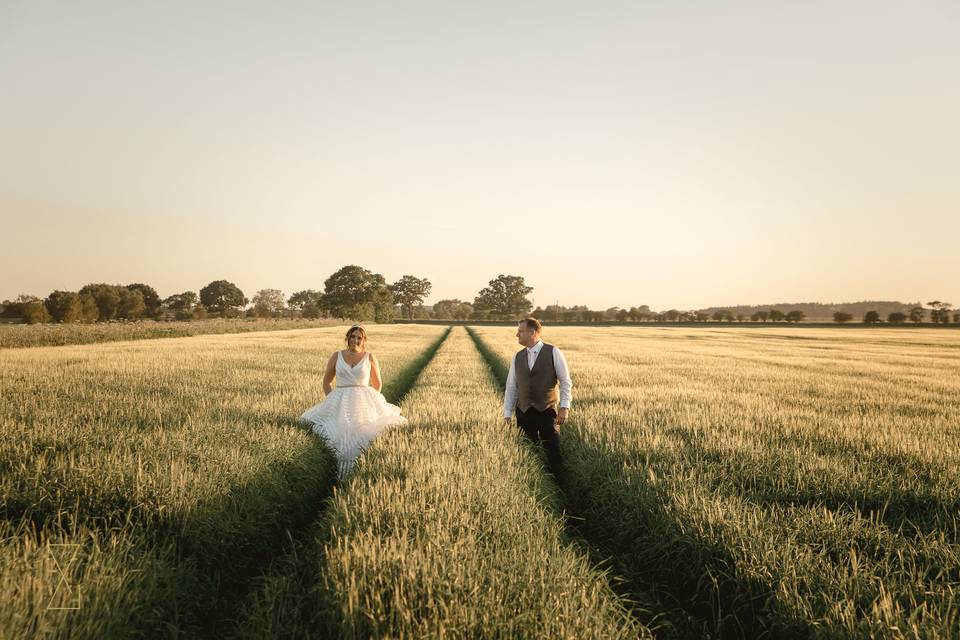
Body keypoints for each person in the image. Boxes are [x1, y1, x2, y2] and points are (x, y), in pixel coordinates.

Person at [300, 324, 407, 476]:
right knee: (338, 431)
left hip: (363, 400)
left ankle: (358, 470)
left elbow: (377, 384)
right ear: (348, 338)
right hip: (340, 399)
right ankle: (333, 470)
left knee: (362, 433)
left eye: (359, 338)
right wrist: (332, 402)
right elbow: (326, 382)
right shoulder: (336, 356)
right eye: (352, 336)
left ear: (363, 341)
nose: (355, 340)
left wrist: (371, 402)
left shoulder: (369, 357)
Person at [503, 317, 572, 477]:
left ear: (532, 332)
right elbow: (511, 386)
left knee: (553, 452)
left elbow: (565, 381)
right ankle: (534, 482)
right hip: (524, 412)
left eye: (520, 331)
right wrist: (507, 413)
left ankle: (558, 482)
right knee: (528, 453)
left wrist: (564, 407)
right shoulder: (517, 357)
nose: (517, 334)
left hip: (547, 411)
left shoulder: (553, 351)